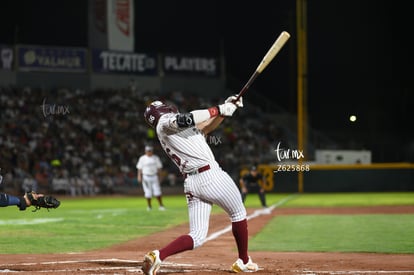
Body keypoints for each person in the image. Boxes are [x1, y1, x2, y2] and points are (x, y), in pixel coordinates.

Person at [141, 96, 259, 274]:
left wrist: (226, 110)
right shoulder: (164, 123)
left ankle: (159, 255)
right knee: (238, 213)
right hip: (210, 176)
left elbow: (204, 127)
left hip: (192, 183)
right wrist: (218, 109)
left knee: (197, 236)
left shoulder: (176, 131)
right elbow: (187, 118)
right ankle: (243, 260)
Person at [136, 145, 165, 211]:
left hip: (154, 176)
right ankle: (149, 206)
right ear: (145, 151)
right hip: (146, 176)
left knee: (157, 191)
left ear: (152, 151)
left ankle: (161, 205)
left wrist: (160, 176)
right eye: (148, 151)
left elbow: (159, 168)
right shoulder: (142, 158)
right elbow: (139, 168)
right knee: (147, 192)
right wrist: (139, 176)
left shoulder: (155, 158)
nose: (149, 152)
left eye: (150, 151)